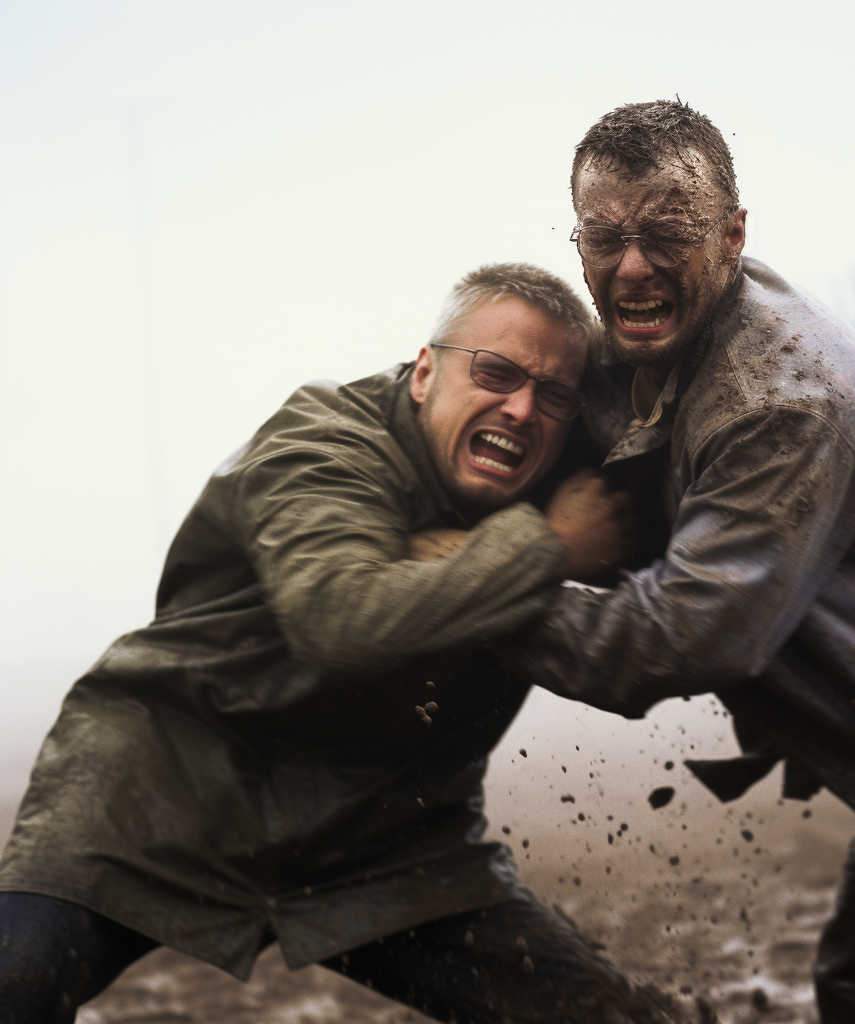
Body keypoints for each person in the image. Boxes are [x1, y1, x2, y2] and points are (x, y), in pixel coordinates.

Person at [0, 263, 679, 1024]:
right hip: (167, 788)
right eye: (494, 372)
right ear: (425, 372)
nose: (521, 409)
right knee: (13, 983)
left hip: (385, 837)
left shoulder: (580, 481)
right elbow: (339, 620)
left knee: (607, 1017)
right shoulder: (324, 442)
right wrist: (546, 549)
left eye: (554, 395)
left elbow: (727, 564)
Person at [481, 102, 855, 1023]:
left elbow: (685, 640)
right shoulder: (661, 343)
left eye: (667, 236)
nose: (633, 267)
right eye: (604, 239)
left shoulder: (783, 398)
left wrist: (460, 593)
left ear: (732, 236)